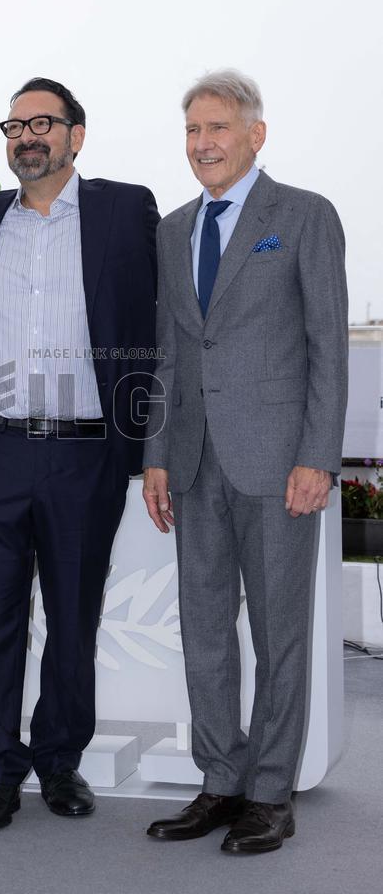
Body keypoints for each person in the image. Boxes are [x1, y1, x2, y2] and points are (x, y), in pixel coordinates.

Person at [142, 69, 348, 853]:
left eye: (217, 128)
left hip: (278, 465)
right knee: (205, 636)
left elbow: (329, 346)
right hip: (194, 465)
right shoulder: (172, 230)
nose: (203, 144)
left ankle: (269, 793)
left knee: (278, 636)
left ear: (255, 135)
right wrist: (157, 455)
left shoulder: (303, 216)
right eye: (192, 130)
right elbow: (168, 352)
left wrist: (317, 456)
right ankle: (221, 780)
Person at [0, 77, 159, 830]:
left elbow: (159, 321)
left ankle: (60, 761)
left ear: (76, 135)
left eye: (42, 122)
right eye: (14, 126)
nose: (26, 137)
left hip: (84, 454)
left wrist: (151, 441)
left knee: (73, 619)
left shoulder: (124, 210)